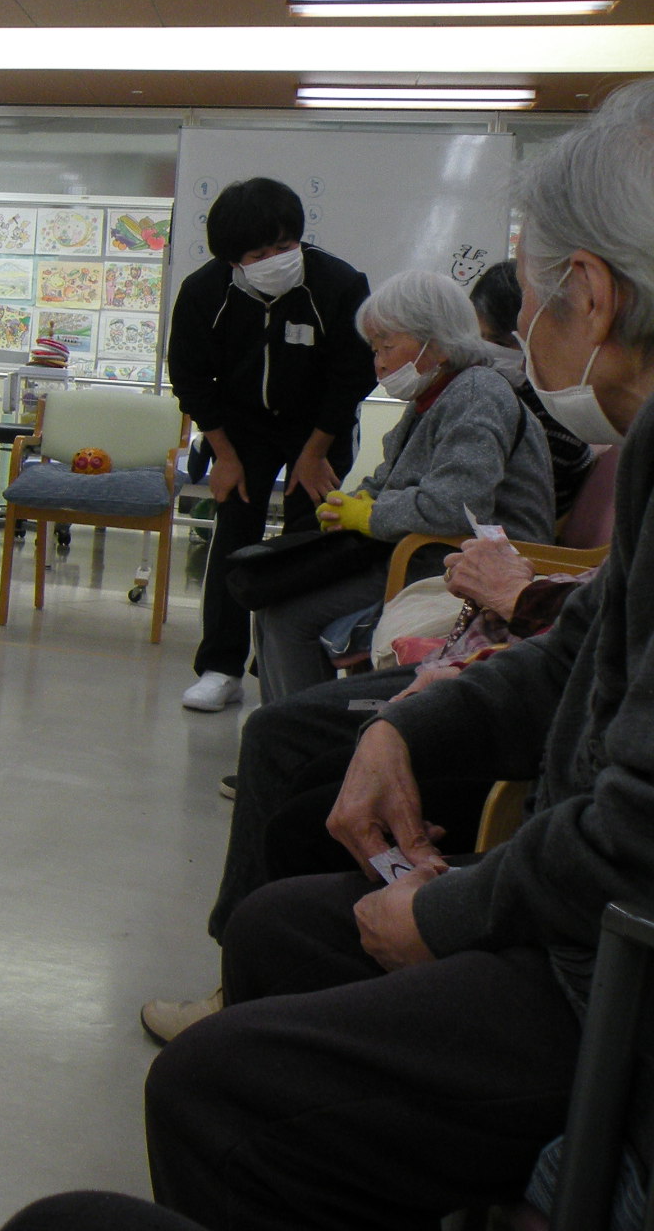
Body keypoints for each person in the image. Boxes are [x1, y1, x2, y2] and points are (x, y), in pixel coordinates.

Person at [145, 81, 654, 1231]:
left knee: (209, 1093)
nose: (518, 333)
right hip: (574, 926)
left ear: (588, 294)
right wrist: (400, 727)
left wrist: (451, 912)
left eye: (527, 295)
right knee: (275, 921)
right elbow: (570, 657)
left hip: (611, 990)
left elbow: (633, 832)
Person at [140, 537, 594, 1044]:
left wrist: (516, 596)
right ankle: (245, 978)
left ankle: (257, 992)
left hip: (489, 655)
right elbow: (580, 640)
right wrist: (399, 724)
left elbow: (610, 835)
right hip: (481, 657)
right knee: (289, 725)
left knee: (302, 794)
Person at [251, 268, 556, 703]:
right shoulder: (435, 395)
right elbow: (393, 478)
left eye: (388, 346)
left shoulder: (477, 393)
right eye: (375, 349)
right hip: (424, 552)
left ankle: (306, 740)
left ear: (439, 343)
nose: (378, 362)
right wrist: (353, 502)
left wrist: (370, 514)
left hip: (462, 563)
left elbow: (454, 506)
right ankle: (287, 734)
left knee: (288, 615)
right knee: (270, 601)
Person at [168, 178, 376, 713]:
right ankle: (220, 668)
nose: (275, 260)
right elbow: (190, 377)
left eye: (284, 246)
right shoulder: (204, 292)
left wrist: (315, 453)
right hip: (240, 428)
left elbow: (353, 376)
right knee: (235, 536)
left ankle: (282, 667)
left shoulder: (339, 284)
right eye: (259, 255)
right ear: (233, 259)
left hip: (319, 425)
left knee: (307, 544)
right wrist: (224, 455)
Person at [471, 258, 597, 518]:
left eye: (499, 343)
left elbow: (498, 498)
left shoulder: (555, 410)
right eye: (478, 339)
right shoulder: (495, 392)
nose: (486, 353)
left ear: (534, 336)